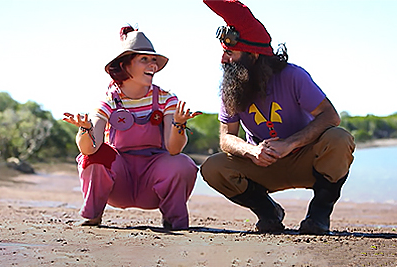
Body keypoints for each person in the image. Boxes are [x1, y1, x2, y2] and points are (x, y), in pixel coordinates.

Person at [200, 0, 355, 234]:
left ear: (252, 54)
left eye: (229, 53)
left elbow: (330, 116)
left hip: (306, 160)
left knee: (339, 139)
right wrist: (253, 152)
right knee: (212, 167)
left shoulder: (293, 76)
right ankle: (268, 212)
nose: (223, 60)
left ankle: (318, 216)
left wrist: (289, 144)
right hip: (262, 164)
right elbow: (226, 138)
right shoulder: (231, 89)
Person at [63, 26, 201, 230]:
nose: (152, 65)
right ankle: (92, 216)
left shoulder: (166, 99)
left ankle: (174, 220)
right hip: (119, 183)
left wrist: (179, 125)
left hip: (153, 180)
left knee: (183, 164)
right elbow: (90, 149)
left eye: (153, 60)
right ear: (124, 65)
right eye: (144, 59)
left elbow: (174, 149)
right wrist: (85, 130)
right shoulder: (108, 101)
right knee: (95, 157)